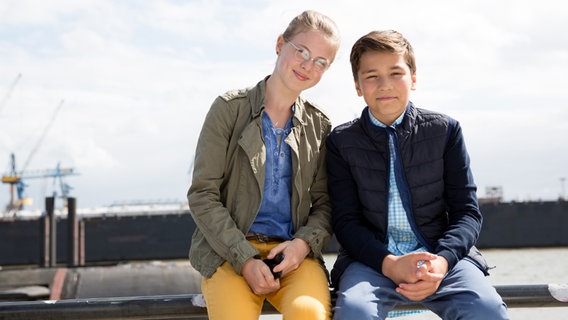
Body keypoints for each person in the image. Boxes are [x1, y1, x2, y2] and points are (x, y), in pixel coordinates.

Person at [325, 30, 509, 319]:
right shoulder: (340, 141)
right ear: (358, 86)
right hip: (372, 261)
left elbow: (467, 213)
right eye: (371, 76)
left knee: (487, 310)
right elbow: (346, 222)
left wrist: (442, 262)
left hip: (441, 256)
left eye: (396, 73)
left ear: (413, 78)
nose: (384, 85)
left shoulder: (445, 131)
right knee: (355, 312)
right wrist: (389, 264)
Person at [187, 10, 340, 320]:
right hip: (229, 254)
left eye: (321, 62)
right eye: (302, 51)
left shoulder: (319, 125)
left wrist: (301, 246)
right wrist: (245, 259)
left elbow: (325, 205)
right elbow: (203, 194)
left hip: (293, 257)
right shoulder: (229, 109)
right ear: (280, 44)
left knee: (309, 314)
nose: (308, 65)